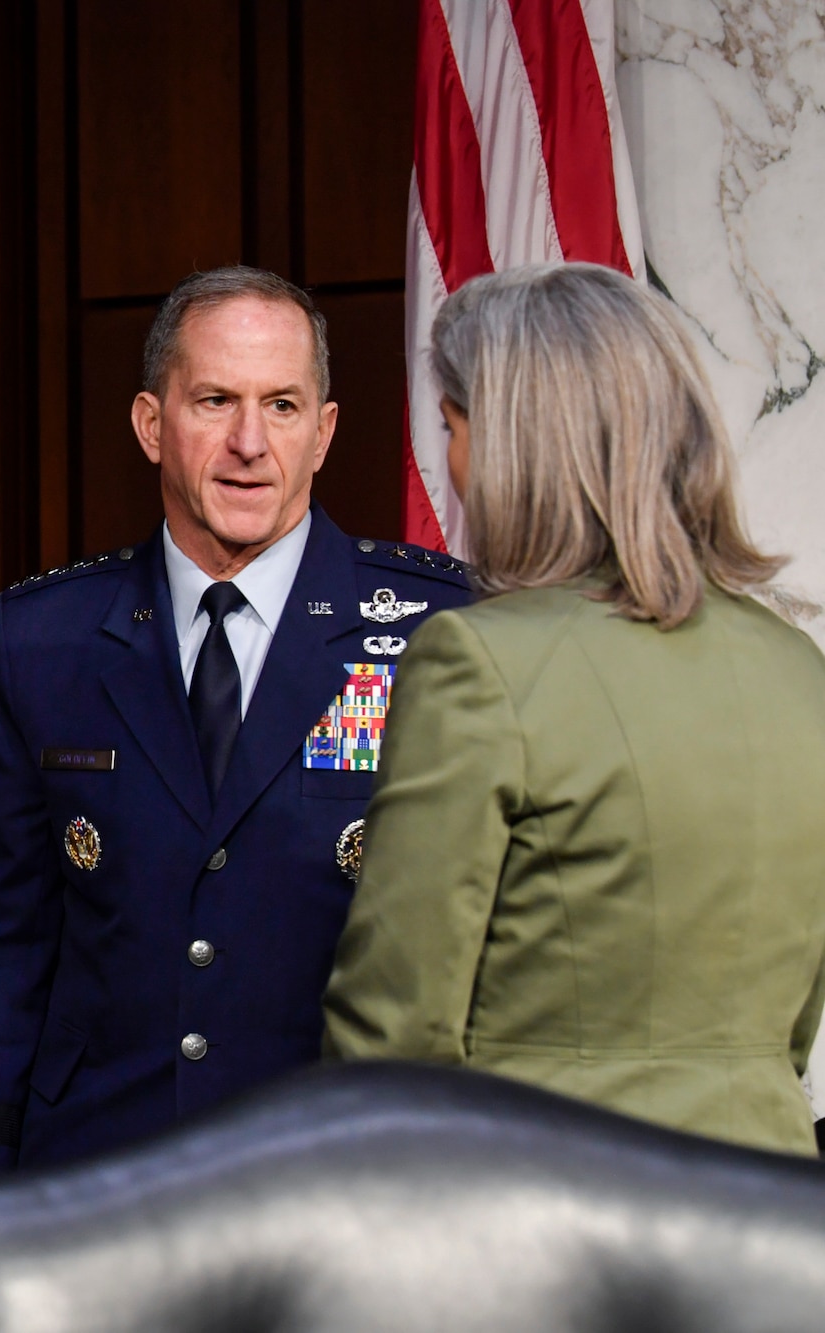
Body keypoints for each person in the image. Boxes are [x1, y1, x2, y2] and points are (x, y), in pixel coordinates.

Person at [0, 266, 473, 1179]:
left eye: (284, 406)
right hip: (102, 1172)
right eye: (216, 400)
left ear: (325, 433)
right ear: (151, 424)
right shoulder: (45, 637)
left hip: (345, 1177)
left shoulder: (436, 631)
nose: (250, 442)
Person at [322, 263, 825, 1156]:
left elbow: (393, 1040)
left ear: (517, 442)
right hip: (770, 1223)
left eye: (452, 427)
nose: (453, 465)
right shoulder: (799, 671)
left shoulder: (480, 662)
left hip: (552, 1223)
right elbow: (786, 1032)